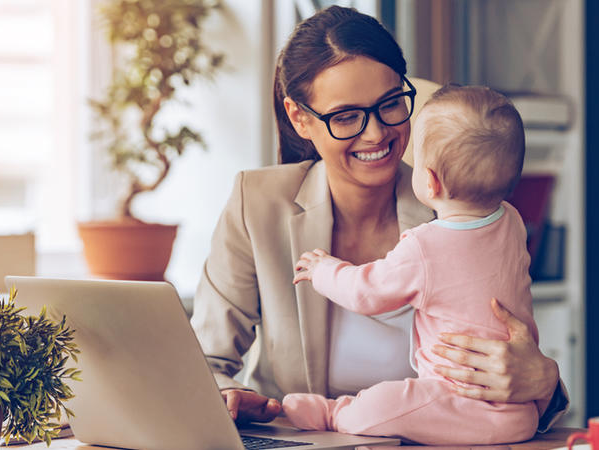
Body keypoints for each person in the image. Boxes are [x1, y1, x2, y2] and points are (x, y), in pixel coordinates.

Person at [190, 5, 567, 432]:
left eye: (390, 104)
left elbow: (513, 347)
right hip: (301, 440)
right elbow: (203, 360)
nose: (376, 134)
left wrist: (544, 380)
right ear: (300, 118)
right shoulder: (256, 203)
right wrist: (228, 397)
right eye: (346, 116)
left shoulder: (462, 207)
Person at [282, 85, 538, 445]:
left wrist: (323, 270)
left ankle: (334, 413)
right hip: (519, 412)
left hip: (456, 399)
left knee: (387, 401)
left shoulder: (425, 246)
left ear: (429, 181)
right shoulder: (511, 222)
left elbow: (366, 292)